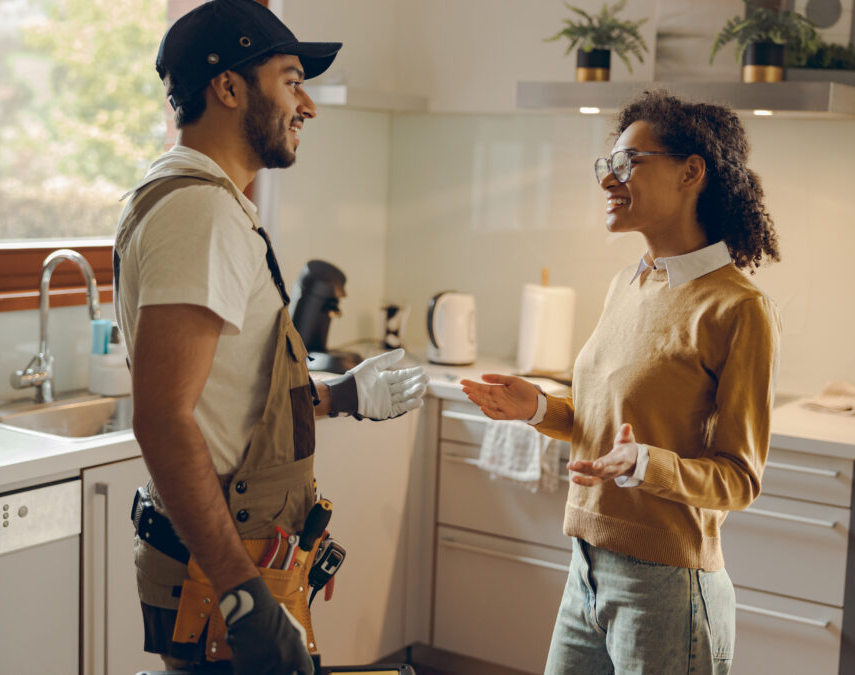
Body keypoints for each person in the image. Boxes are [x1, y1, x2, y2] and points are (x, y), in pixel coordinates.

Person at [112, 1, 428, 673]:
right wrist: (242, 594)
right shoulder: (201, 212)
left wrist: (337, 396)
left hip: (245, 556)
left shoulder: (203, 201)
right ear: (228, 87)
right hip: (221, 580)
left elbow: (222, 401)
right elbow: (165, 419)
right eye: (290, 79)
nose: (306, 104)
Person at [461, 89, 781, 675]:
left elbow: (740, 480)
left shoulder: (738, 308)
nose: (608, 179)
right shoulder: (628, 285)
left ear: (691, 172)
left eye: (627, 163)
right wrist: (537, 409)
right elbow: (603, 427)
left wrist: (644, 465)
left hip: (668, 590)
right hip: (584, 568)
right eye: (605, 164)